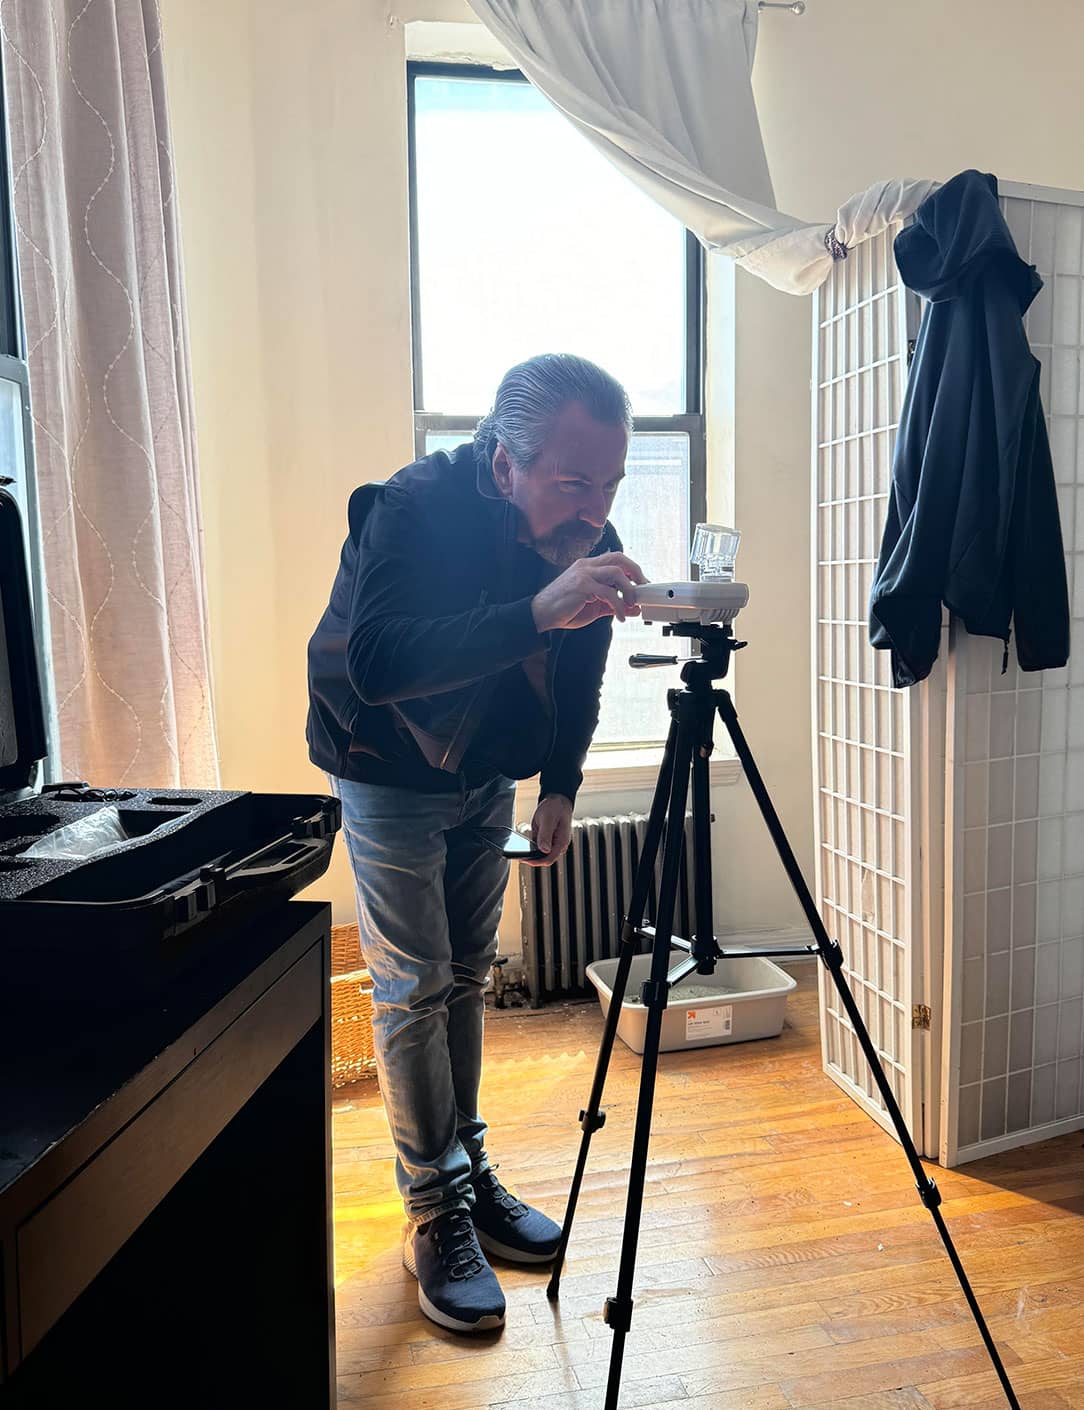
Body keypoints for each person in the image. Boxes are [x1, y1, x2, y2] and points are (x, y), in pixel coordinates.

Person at [306, 353, 644, 1333]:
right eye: (573, 481)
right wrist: (539, 608)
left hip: (487, 767)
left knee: (464, 971)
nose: (595, 508)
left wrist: (563, 787)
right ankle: (431, 1214)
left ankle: (468, 1173)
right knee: (413, 984)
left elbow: (578, 670)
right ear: (504, 464)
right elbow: (377, 663)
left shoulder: (590, 536)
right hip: (383, 766)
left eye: (612, 480)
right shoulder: (411, 508)